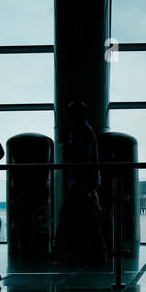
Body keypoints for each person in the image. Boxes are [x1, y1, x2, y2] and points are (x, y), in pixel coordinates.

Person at [56, 101, 107, 264]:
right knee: (88, 218)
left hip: (81, 182)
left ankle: (62, 252)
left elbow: (81, 160)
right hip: (85, 181)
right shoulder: (86, 131)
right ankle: (96, 255)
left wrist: (84, 183)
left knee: (69, 216)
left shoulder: (82, 133)